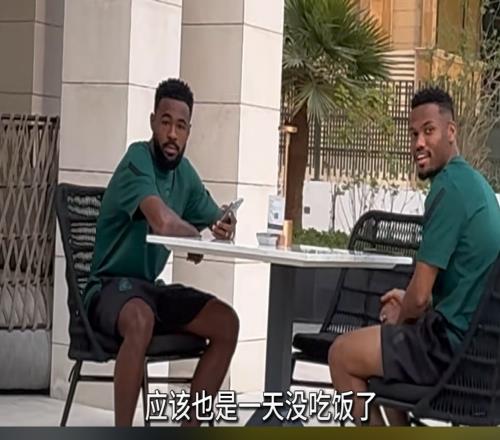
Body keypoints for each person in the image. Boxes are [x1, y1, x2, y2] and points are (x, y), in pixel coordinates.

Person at [328, 86, 500, 426]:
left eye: (429, 131)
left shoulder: (449, 189)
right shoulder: (475, 185)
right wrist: (407, 305)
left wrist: (404, 310)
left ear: (451, 132)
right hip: (480, 353)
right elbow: (456, 290)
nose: (419, 142)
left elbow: (420, 298)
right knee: (388, 354)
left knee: (342, 355)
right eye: (414, 134)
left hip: (450, 351)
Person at [83, 78, 240, 427]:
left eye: (181, 126)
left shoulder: (185, 174)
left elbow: (216, 217)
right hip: (108, 288)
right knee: (141, 319)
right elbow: (164, 222)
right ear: (153, 122)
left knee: (226, 323)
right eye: (165, 122)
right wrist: (195, 236)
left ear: (189, 131)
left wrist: (226, 223)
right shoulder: (137, 160)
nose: (172, 134)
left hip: (150, 291)